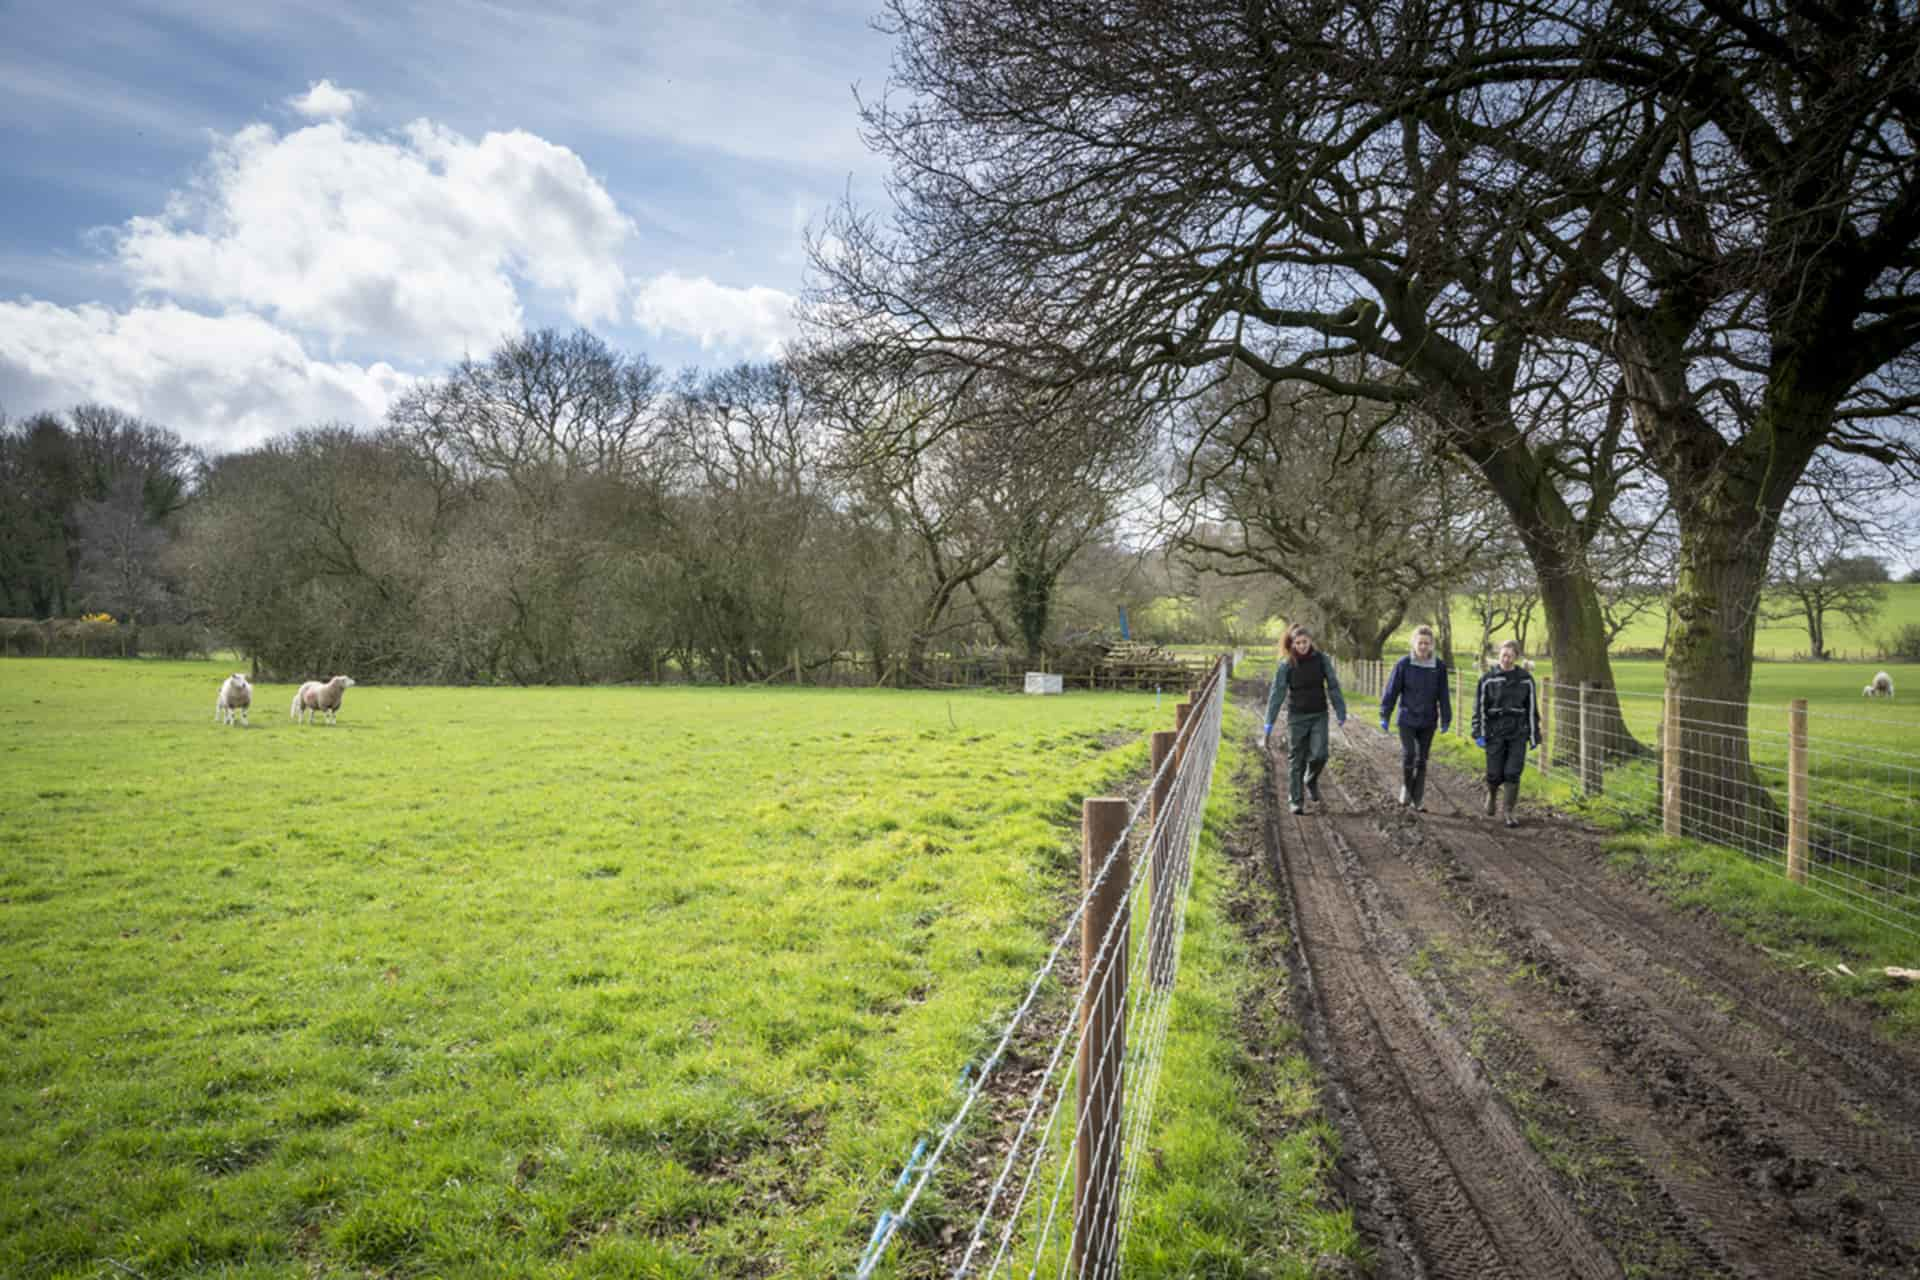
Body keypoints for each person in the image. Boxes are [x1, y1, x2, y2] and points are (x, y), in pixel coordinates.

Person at [1264, 626, 1348, 815]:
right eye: (1298, 643)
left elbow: (1333, 685)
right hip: (1297, 717)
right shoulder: (1287, 664)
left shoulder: (1321, 660)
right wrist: (1269, 720)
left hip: (1319, 714)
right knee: (1296, 759)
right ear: (1293, 644)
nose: (1302, 646)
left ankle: (1310, 779)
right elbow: (1277, 692)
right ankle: (1296, 801)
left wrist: (1340, 709)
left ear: (1311, 641)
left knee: (1320, 754)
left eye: (1305, 642)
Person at [1379, 624, 1452, 811]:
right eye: (1420, 643)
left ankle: (1417, 799)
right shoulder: (1404, 664)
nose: (1423, 647)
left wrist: (1446, 718)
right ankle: (1406, 787)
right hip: (1407, 718)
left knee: (1422, 759)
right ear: (1413, 644)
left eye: (1427, 643)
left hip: (1428, 720)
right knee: (1410, 754)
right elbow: (1392, 690)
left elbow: (1443, 694)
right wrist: (1385, 713)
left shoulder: (1439, 667)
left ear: (1432, 645)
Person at [1472, 640, 1542, 828]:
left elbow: (1531, 709)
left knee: (1513, 772)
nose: (1506, 659)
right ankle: (1492, 794)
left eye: (1510, 655)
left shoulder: (1525, 679)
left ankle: (1509, 811)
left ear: (1516, 657)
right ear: (1499, 656)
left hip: (1518, 731)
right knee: (1494, 772)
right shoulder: (1488, 679)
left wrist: (1534, 735)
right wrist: (1478, 731)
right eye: (1503, 655)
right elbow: (1479, 707)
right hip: (1495, 731)